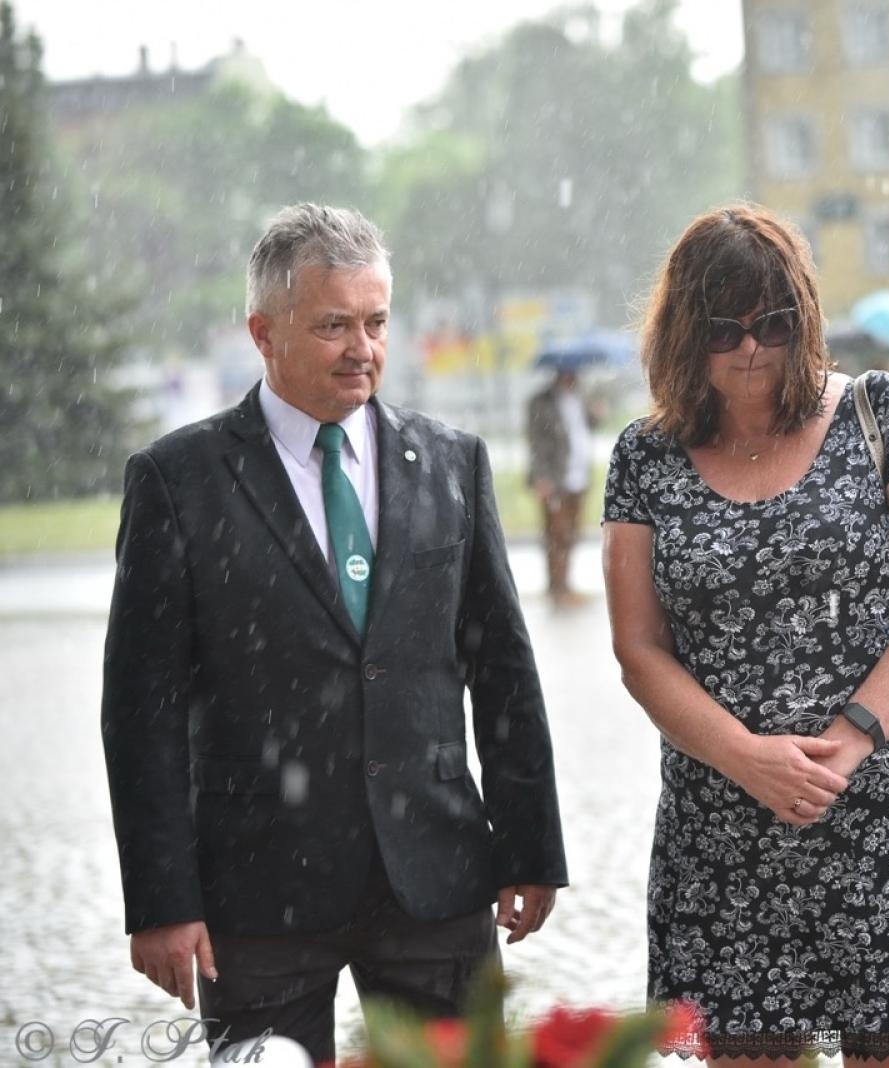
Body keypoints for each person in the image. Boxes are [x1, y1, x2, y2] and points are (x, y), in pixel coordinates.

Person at [100, 204, 568, 1063]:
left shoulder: (454, 463)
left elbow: (502, 669)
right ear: (263, 332)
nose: (364, 348)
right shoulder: (176, 481)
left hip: (436, 879)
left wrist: (530, 844)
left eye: (377, 321)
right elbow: (142, 711)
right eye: (333, 326)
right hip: (258, 893)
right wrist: (163, 900)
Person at [602, 204, 889, 1065]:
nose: (749, 348)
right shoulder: (644, 458)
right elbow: (638, 647)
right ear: (680, 334)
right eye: (722, 328)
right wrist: (744, 755)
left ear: (803, 320)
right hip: (723, 840)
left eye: (771, 324)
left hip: (885, 824)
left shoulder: (877, 413)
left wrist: (849, 741)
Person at [525, 366, 599, 607]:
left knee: (572, 534)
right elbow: (535, 441)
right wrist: (541, 478)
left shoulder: (581, 397)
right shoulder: (540, 401)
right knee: (556, 534)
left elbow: (589, 426)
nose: (573, 377)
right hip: (554, 479)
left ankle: (566, 584)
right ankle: (558, 588)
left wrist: (597, 412)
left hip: (579, 478)